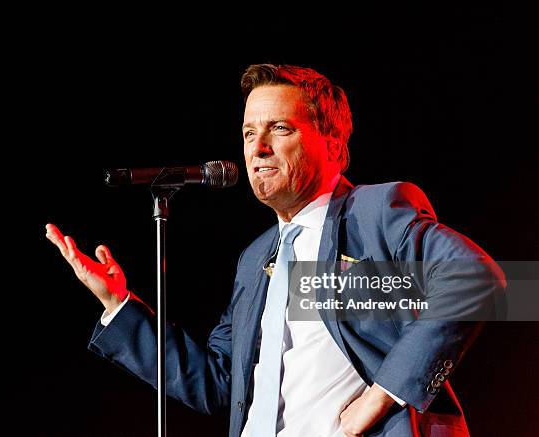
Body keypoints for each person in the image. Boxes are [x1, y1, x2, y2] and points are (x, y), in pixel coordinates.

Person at [45, 64, 505, 437]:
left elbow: (475, 279)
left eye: (278, 128)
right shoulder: (256, 258)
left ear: (332, 141)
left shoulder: (373, 213)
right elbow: (218, 384)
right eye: (248, 133)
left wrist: (381, 395)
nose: (258, 148)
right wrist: (118, 305)